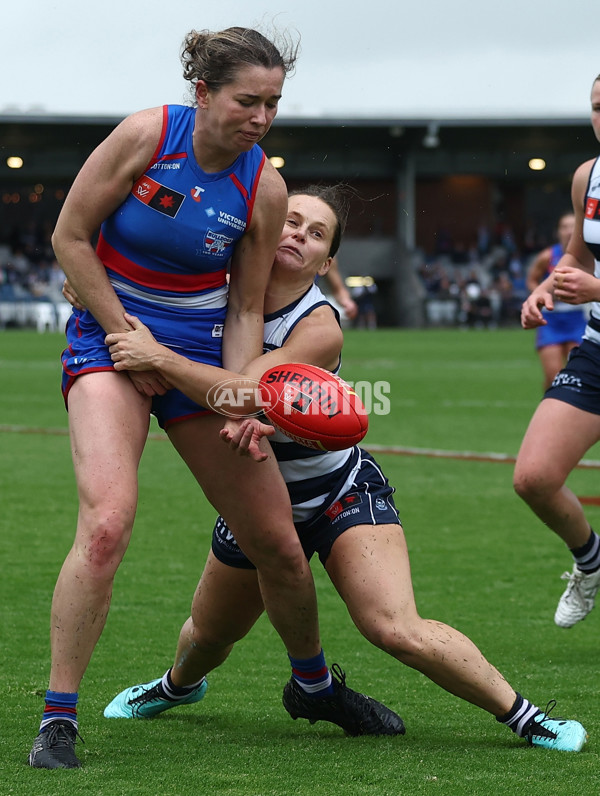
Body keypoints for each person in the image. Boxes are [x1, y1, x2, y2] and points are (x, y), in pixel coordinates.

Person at [99, 185, 586, 752]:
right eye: (290, 221)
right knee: (209, 634)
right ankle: (178, 687)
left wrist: (161, 359)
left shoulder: (319, 327)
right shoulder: (215, 289)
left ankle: (528, 718)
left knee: (395, 627)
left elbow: (240, 391)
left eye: (315, 234)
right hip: (254, 496)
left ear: (326, 263)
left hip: (336, 489)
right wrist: (95, 290)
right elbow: (138, 289)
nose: (296, 235)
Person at [28, 29, 393, 770]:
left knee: (279, 546)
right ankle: (59, 717)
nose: (262, 117)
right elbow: (70, 236)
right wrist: (124, 334)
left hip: (198, 353)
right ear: (204, 92)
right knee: (107, 524)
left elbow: (248, 308)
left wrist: (239, 397)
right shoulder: (148, 135)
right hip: (108, 340)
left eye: (274, 103)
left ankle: (313, 685)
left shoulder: (265, 186)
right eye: (247, 101)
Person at [516, 73, 600, 630]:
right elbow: (578, 256)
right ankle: (591, 561)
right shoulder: (588, 177)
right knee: (534, 478)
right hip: (597, 349)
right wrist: (549, 286)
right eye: (597, 106)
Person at [526, 212, 587, 390]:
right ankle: (550, 405)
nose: (569, 231)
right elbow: (531, 279)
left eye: (573, 226)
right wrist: (540, 294)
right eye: (564, 227)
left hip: (578, 318)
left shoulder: (588, 256)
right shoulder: (548, 256)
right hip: (550, 320)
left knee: (576, 375)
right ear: (558, 232)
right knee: (553, 375)